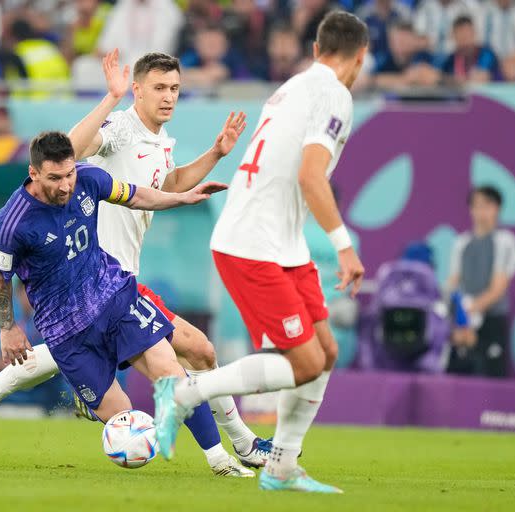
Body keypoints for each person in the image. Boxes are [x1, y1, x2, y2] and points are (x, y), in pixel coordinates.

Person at [0, 50, 270, 476]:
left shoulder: (158, 142)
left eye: (174, 88)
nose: (169, 97)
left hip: (114, 278)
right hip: (96, 270)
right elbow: (71, 149)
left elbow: (166, 184)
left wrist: (215, 153)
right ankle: (242, 443)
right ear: (136, 90)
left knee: (77, 350)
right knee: (198, 349)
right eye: (159, 88)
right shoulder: (120, 127)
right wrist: (110, 98)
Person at [153, 11, 368, 493]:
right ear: (361, 56)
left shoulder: (295, 86)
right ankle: (186, 390)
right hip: (252, 244)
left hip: (282, 244)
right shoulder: (335, 94)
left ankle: (282, 465)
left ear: (314, 51)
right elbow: (311, 175)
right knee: (305, 362)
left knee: (325, 351)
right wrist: (345, 248)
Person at [0, 131, 228, 470]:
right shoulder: (12, 224)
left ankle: (220, 459)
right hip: (67, 332)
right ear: (33, 173)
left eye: (69, 174)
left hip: (114, 297)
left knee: (172, 373)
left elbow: (136, 196)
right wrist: (7, 327)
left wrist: (182, 198)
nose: (66, 185)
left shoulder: (89, 178)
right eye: (55, 178)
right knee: (125, 422)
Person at [446, 185, 515, 378]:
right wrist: (459, 322)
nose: (481, 211)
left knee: (490, 380)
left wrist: (471, 312)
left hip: (491, 323)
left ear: (497, 208)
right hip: (462, 326)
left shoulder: (505, 241)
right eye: (477, 205)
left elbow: (497, 289)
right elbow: (453, 283)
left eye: (487, 205)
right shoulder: (461, 243)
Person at [440, 16, 501, 84]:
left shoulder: (486, 54)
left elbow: (484, 76)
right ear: (453, 36)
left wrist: (490, 76)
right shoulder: (450, 61)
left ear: (474, 33)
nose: (464, 36)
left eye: (467, 32)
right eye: (460, 33)